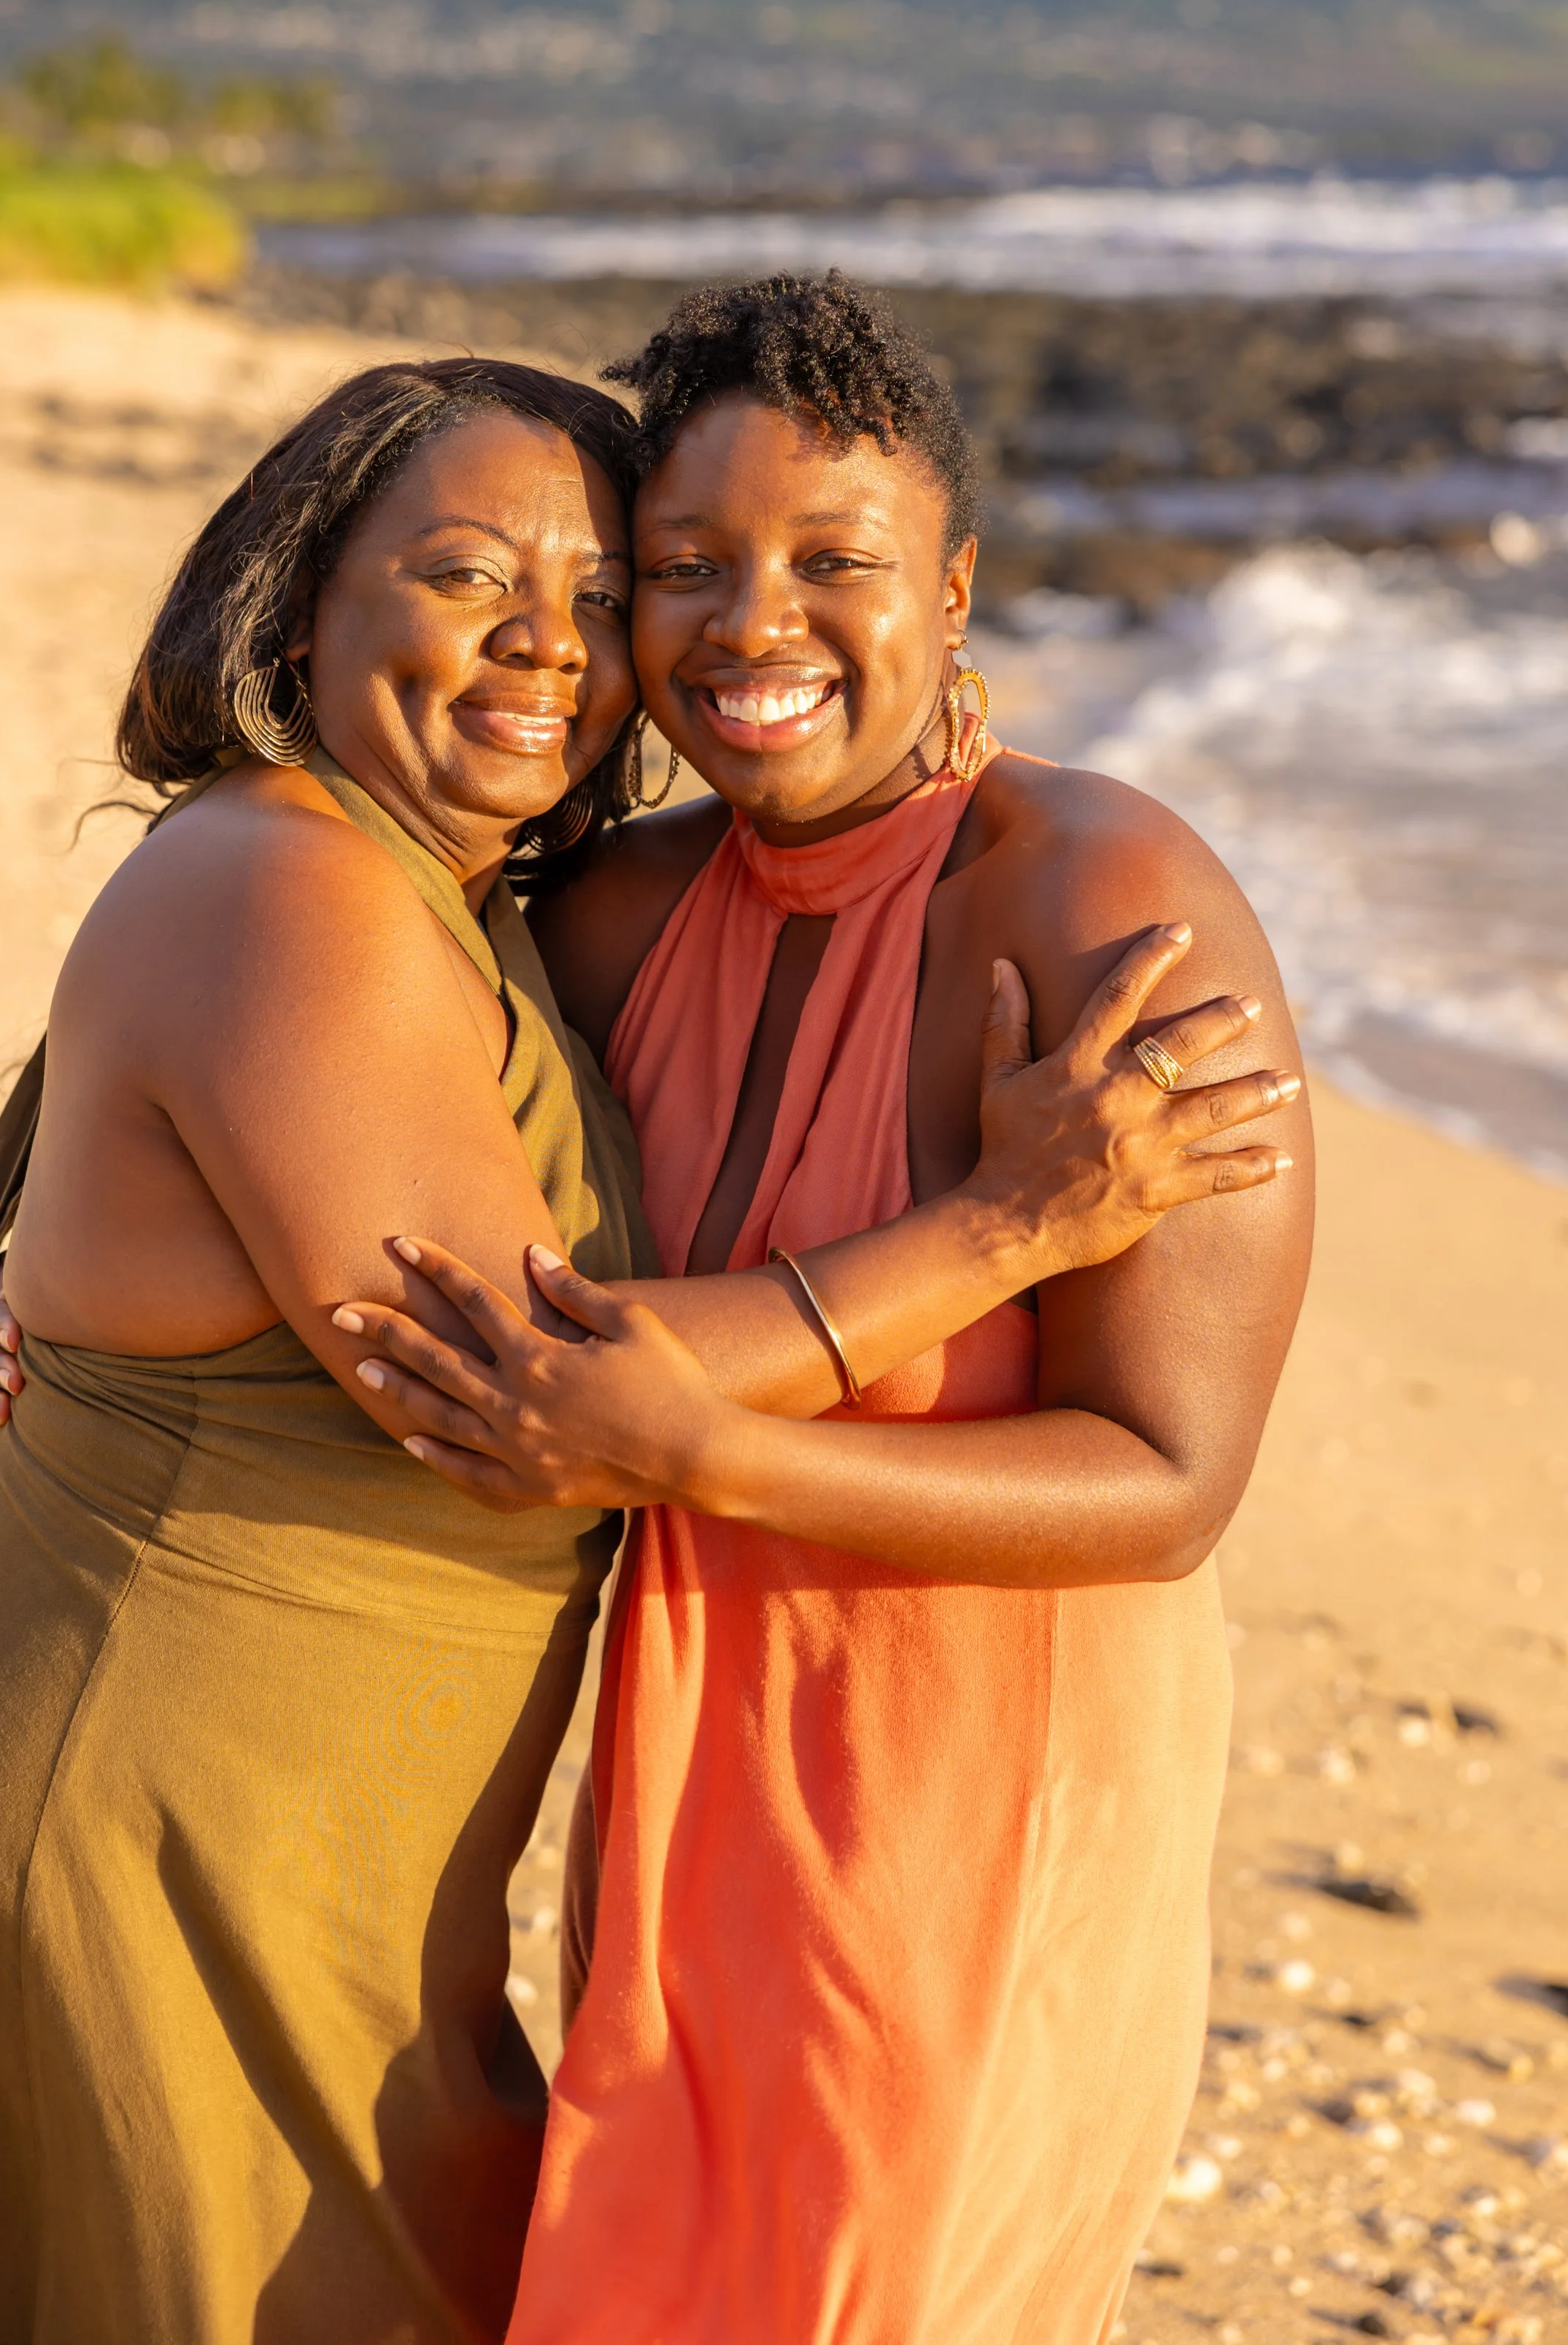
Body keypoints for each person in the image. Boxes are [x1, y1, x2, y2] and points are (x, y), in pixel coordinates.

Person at [0, 350, 1291, 2345]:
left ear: (956, 586)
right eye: (470, 572)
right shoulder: (302, 878)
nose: (545, 644)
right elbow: (522, 1383)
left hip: (379, 1865)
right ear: (298, 596)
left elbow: (1167, 1463)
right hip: (138, 1840)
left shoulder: (507, 904)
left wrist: (44, 1268)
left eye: (586, 589)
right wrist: (1001, 1227)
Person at [330, 277, 1315, 2345]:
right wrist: (17, 1290)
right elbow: (298, 1039)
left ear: (950, 588)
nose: (750, 621)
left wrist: (708, 1455)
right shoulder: (604, 913)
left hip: (973, 1817)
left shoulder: (1103, 906)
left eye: (832, 561)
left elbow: (1169, 1478)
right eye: (686, 567)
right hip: (675, 1786)